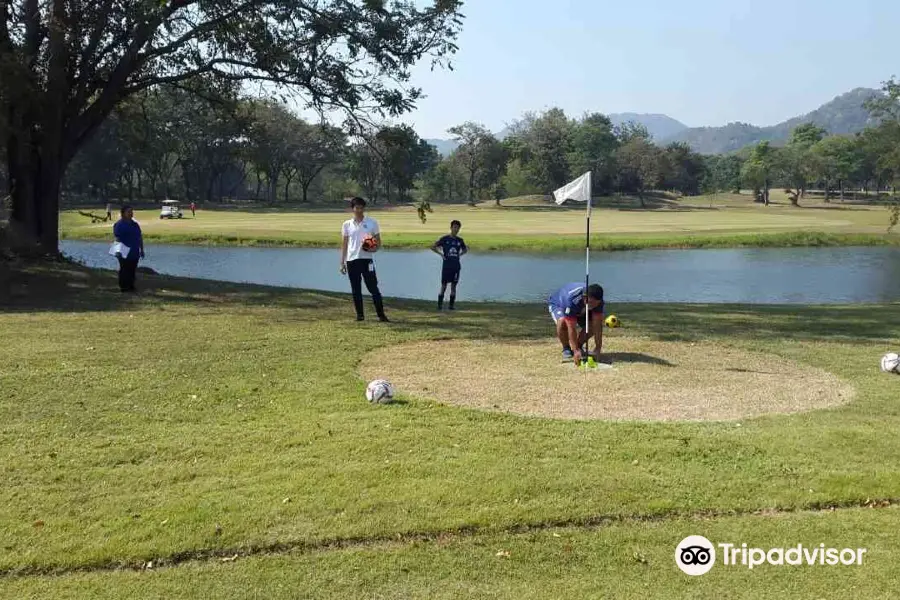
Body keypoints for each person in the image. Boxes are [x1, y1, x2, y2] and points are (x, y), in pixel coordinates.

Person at [340, 197, 389, 322]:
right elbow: (345, 244)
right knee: (356, 290)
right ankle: (360, 316)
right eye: (357, 208)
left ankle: (381, 315)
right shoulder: (347, 224)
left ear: (364, 208)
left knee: (373, 288)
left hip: (367, 260)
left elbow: (378, 242)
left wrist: (373, 249)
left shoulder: (372, 222)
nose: (359, 210)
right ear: (352, 209)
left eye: (361, 208)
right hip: (352, 260)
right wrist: (342, 262)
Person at [547, 283, 605, 365]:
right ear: (585, 297)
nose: (594, 306)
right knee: (563, 322)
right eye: (591, 303)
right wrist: (575, 350)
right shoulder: (571, 300)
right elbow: (571, 328)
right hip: (559, 304)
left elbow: (597, 325)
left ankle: (579, 345)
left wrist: (598, 348)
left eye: (597, 303)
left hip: (581, 308)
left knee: (594, 323)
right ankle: (566, 348)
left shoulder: (598, 301)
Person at [431, 219, 468, 310]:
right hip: (447, 266)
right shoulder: (445, 239)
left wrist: (460, 255)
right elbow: (432, 247)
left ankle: (451, 306)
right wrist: (441, 255)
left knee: (454, 286)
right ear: (451, 228)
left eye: (458, 228)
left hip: (456, 267)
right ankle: (439, 305)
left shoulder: (460, 240)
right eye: (454, 227)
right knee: (443, 286)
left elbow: (465, 249)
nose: (456, 229)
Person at [113, 205, 145, 293]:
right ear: (123, 213)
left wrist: (141, 249)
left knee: (132, 269)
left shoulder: (135, 224)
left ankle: (131, 286)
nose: (131, 213)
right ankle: (123, 287)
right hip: (123, 251)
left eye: (132, 211)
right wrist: (117, 251)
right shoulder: (119, 224)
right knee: (124, 269)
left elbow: (140, 237)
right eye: (129, 211)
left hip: (134, 251)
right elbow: (117, 238)